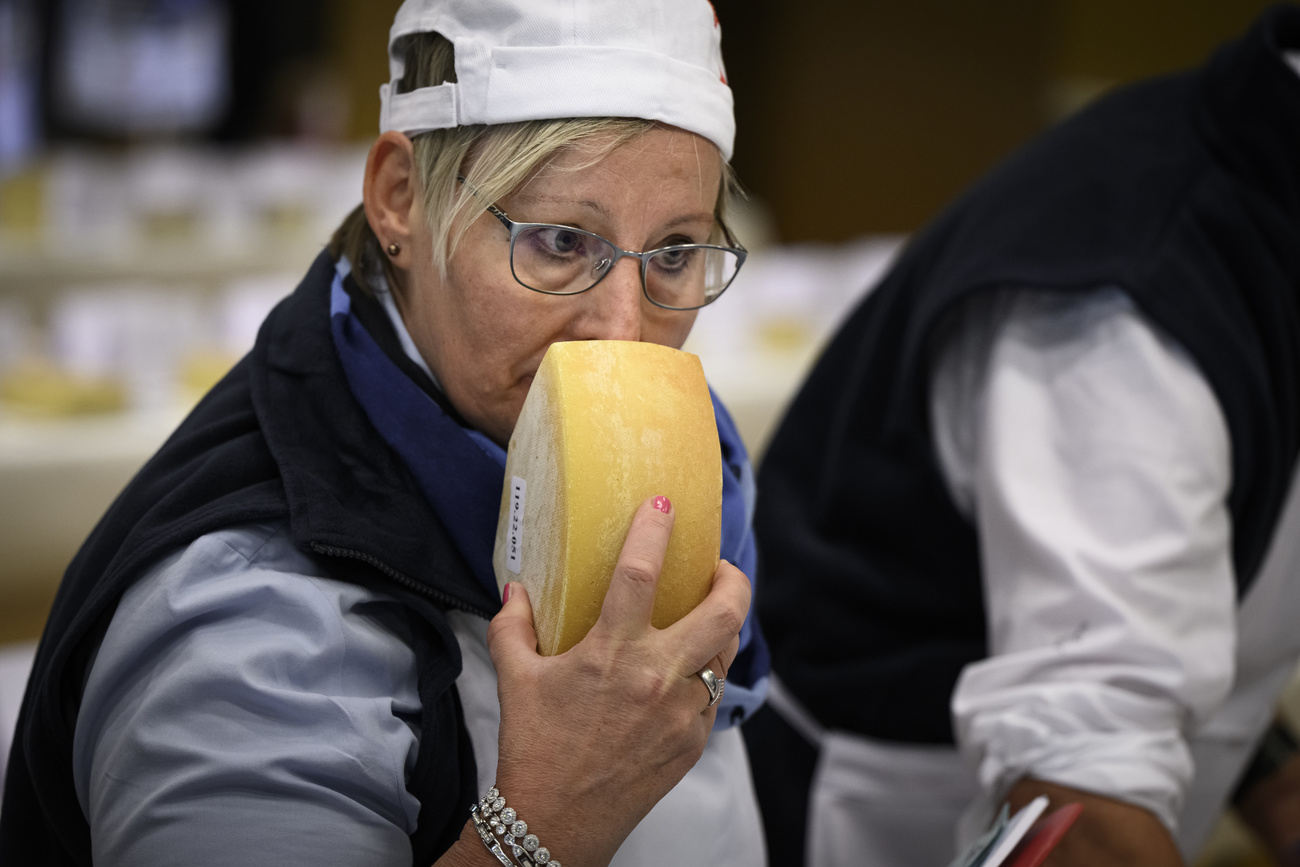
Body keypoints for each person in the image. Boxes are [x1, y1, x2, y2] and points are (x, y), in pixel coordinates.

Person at [0, 1, 771, 864]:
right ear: (400, 200)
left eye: (674, 254)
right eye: (559, 241)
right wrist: (548, 819)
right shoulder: (255, 622)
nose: (622, 330)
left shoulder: (694, 480)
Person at [745, 5, 1300, 867]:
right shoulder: (1126, 313)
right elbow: (1081, 794)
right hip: (878, 818)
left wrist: (1273, 777)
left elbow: (1179, 601)